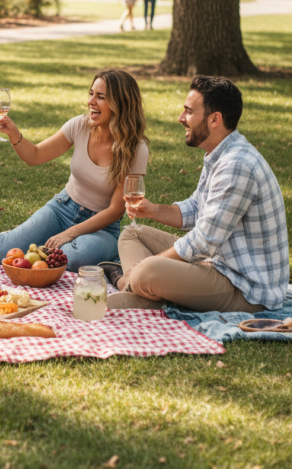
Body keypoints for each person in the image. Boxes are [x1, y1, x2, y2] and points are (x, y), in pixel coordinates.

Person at [103, 76, 289, 313]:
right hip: (218, 263)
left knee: (146, 271)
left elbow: (203, 241)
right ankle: (143, 291)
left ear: (214, 119)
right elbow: (196, 209)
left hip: (244, 288)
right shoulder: (219, 153)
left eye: (189, 112)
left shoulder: (237, 165)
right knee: (132, 234)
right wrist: (151, 210)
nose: (181, 118)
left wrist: (152, 262)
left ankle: (130, 285)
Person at [0, 69, 149, 272]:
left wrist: (70, 233)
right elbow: (35, 156)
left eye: (101, 97)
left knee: (73, 259)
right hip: (62, 209)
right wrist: (13, 133)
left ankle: (104, 250)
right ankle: (35, 241)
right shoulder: (79, 126)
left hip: (102, 227)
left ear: (121, 104)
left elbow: (116, 210)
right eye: (91, 93)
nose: (91, 101)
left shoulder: (135, 148)